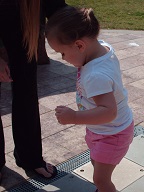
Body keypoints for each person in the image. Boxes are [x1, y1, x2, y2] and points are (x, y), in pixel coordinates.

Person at [45, 6, 134, 192]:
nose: (62, 58)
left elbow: (109, 111)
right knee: (96, 162)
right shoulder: (102, 48)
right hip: (102, 129)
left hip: (113, 133)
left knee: (101, 179)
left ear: (79, 45)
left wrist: (74, 117)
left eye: (62, 52)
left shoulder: (95, 74)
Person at [0, 0, 67, 183]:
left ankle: (29, 157)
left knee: (27, 94)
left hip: (24, 25)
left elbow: (56, 7)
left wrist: (84, 26)